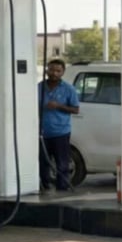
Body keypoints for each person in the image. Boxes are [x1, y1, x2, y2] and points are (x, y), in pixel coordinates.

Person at [38, 58, 79, 191]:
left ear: (63, 72)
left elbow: (76, 109)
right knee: (43, 162)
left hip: (61, 132)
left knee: (62, 163)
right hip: (41, 133)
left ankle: (62, 189)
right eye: (51, 70)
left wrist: (59, 106)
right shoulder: (38, 87)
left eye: (58, 71)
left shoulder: (69, 89)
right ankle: (44, 188)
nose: (54, 73)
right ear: (46, 70)